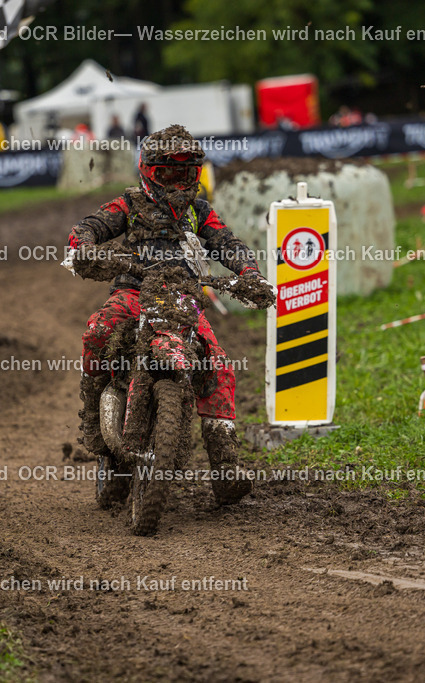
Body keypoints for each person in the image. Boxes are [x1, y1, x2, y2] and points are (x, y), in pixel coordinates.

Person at [67, 125, 273, 505]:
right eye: (168, 173)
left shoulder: (199, 212)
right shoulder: (128, 206)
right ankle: (95, 425)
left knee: (217, 362)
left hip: (183, 299)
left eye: (186, 173)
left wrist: (249, 274)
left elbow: (228, 244)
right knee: (98, 330)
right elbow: (90, 227)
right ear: (149, 172)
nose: (178, 182)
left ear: (196, 175)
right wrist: (84, 247)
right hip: (133, 291)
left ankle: (225, 463)